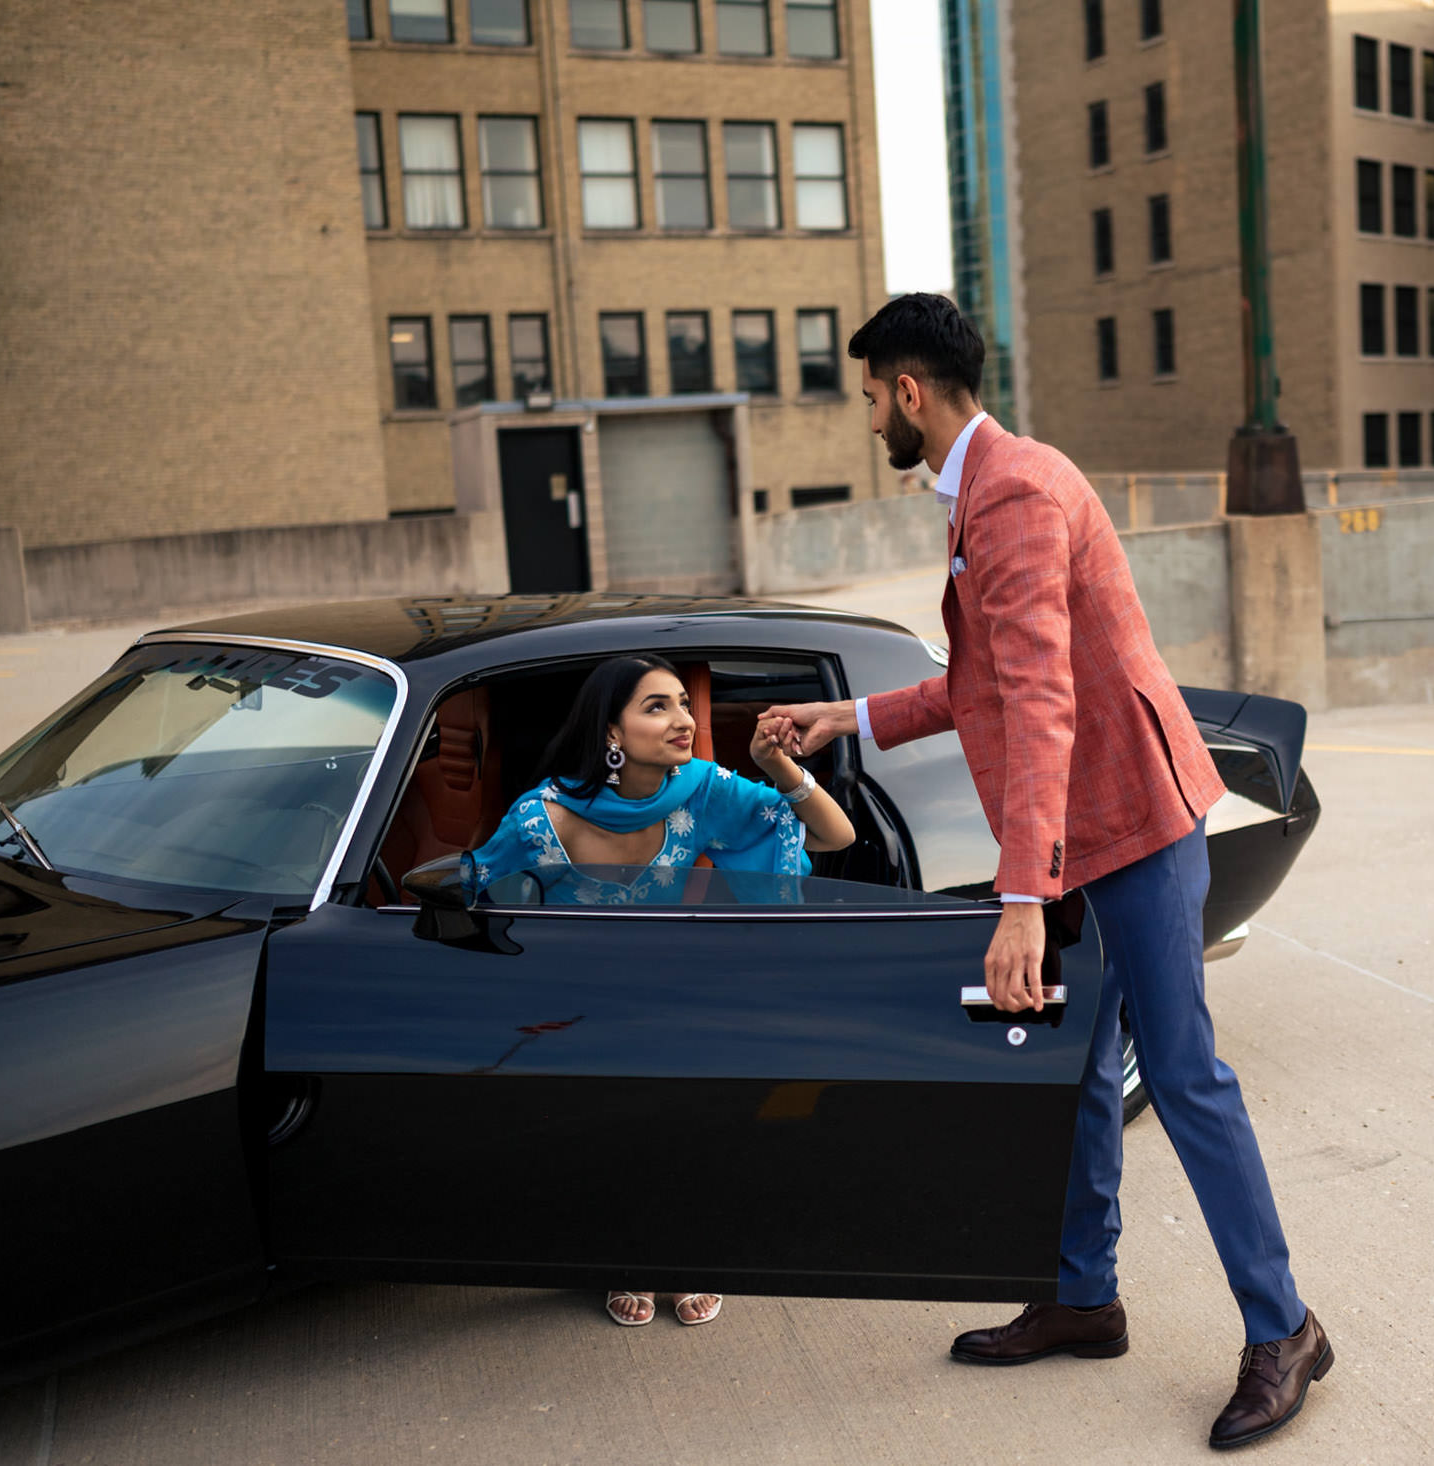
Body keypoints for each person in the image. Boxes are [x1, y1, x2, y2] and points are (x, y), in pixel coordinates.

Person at [762, 295, 1330, 1450]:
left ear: (910, 391)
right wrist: (848, 715)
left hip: (1131, 822)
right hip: (1091, 828)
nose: (870, 415)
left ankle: (1286, 1328)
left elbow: (1038, 702)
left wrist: (1020, 899)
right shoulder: (994, 479)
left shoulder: (1012, 492)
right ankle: (1083, 1295)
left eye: (872, 396)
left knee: (1181, 1072)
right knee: (1080, 1072)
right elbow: (983, 679)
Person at [462, 655, 853, 1327]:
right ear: (611, 732)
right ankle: (627, 1249)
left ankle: (687, 1245)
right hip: (575, 1005)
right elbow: (475, 893)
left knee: (695, 1090)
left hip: (677, 991)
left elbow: (833, 834)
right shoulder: (538, 816)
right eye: (657, 707)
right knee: (599, 1105)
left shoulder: (701, 788)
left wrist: (778, 767)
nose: (683, 720)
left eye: (683, 703)